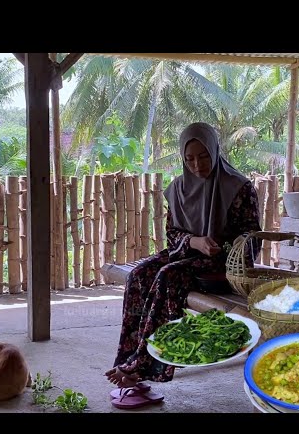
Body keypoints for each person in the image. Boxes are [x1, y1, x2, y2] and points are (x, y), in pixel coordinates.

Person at [105, 122, 262, 406]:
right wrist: (195, 241)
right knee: (139, 275)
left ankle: (141, 367)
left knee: (167, 276)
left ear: (214, 151)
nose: (197, 165)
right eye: (189, 159)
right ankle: (129, 358)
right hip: (188, 253)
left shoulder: (239, 188)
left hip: (223, 267)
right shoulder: (178, 188)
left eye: (203, 156)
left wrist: (219, 245)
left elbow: (252, 238)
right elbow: (173, 233)